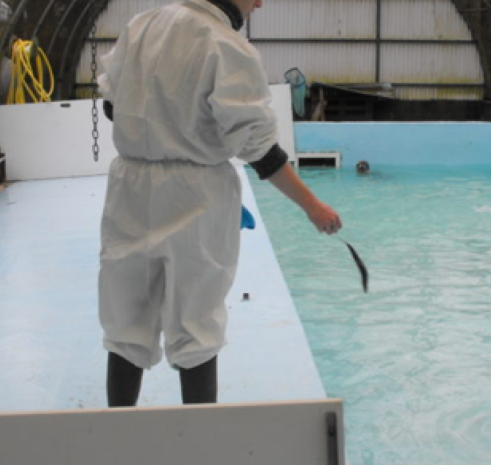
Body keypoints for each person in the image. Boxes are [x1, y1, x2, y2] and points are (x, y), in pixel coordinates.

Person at [98, 0, 341, 407]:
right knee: (197, 324)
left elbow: (110, 104)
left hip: (130, 188)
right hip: (196, 195)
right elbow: (258, 148)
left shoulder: (141, 26)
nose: (260, 2)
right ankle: (200, 443)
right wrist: (312, 205)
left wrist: (159, 126)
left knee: (126, 323)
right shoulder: (225, 45)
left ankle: (116, 434)